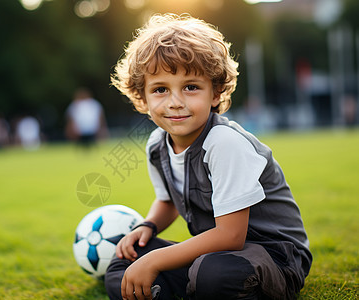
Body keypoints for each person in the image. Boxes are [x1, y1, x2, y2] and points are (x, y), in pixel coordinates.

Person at [105, 14, 312, 300]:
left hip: (273, 257)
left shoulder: (224, 143)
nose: (175, 102)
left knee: (212, 274)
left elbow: (231, 236)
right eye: (160, 89)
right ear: (143, 98)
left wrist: (155, 261)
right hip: (216, 252)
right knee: (124, 261)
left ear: (215, 93)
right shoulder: (157, 145)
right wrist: (147, 225)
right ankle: (166, 291)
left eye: (190, 87)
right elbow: (168, 200)